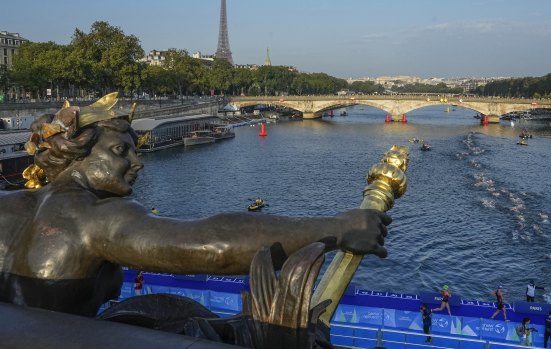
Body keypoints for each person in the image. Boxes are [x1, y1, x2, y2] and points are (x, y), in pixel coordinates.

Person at [0, 97, 391, 317]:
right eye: (122, 151)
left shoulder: (11, 205)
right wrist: (340, 228)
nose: (137, 163)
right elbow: (213, 245)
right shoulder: (94, 217)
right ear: (77, 155)